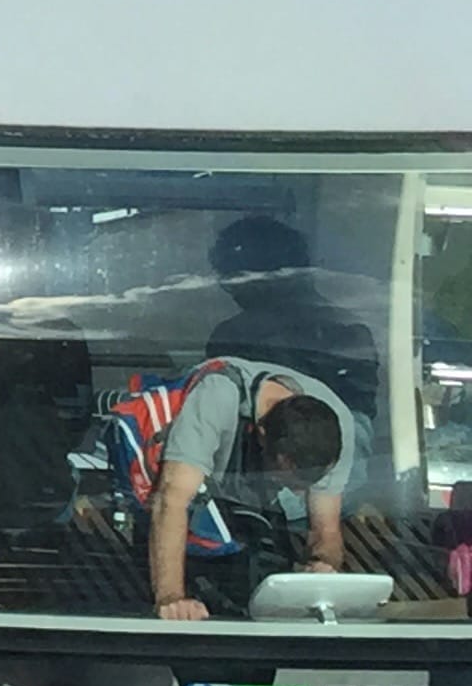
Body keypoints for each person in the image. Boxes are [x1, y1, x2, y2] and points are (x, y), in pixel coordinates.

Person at [147, 357, 358, 621]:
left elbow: (326, 529)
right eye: (288, 482)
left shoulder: (338, 425)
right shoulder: (216, 397)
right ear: (261, 436)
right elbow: (171, 500)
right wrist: (171, 598)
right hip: (183, 517)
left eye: (308, 485)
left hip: (248, 527)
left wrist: (323, 567)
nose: (297, 495)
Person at [203, 217, 381, 420]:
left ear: (275, 276)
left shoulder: (234, 336)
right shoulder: (352, 333)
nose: (230, 291)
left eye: (235, 279)